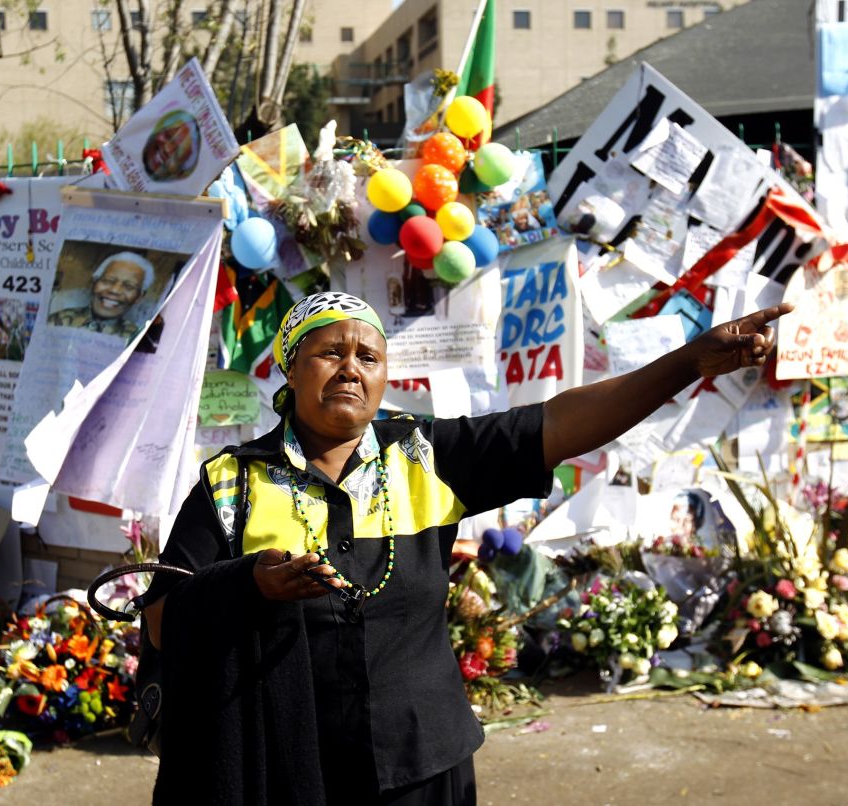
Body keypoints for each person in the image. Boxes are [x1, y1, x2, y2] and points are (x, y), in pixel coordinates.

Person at [143, 291, 791, 806]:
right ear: (290, 366)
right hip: (287, 768)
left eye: (369, 357)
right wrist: (248, 585)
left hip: (424, 761)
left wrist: (686, 363)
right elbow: (162, 622)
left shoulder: (425, 454)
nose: (351, 367)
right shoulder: (233, 483)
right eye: (329, 352)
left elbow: (561, 423)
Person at [48, 251, 157, 340]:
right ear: (94, 283)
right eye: (108, 281)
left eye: (129, 286)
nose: (115, 290)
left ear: (139, 297)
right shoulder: (60, 320)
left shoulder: (136, 338)